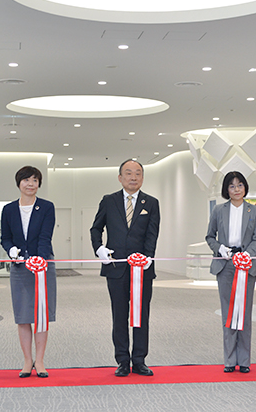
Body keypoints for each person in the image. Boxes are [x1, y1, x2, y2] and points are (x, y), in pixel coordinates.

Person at [90, 159, 160, 377]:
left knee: (142, 315)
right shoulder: (109, 201)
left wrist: (148, 257)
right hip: (116, 268)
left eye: (138, 173)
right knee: (119, 315)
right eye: (128, 173)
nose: (133, 177)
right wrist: (99, 249)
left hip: (143, 269)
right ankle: (122, 360)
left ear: (142, 177)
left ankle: (139, 360)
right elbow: (95, 228)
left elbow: (152, 234)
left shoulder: (151, 202)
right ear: (120, 177)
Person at [0, 166, 56, 378]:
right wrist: (12, 250)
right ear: (19, 183)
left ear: (39, 184)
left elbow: (45, 236)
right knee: (23, 315)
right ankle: (27, 360)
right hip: (19, 267)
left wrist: (38, 260)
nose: (30, 183)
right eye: (26, 180)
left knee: (41, 314)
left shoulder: (47, 207)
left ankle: (40, 361)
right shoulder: (9, 209)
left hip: (43, 266)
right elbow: (5, 237)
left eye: (35, 180)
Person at [205, 171, 256, 374]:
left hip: (246, 265)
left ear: (245, 187)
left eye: (240, 185)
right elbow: (210, 236)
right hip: (225, 265)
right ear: (226, 190)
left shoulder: (254, 211)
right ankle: (229, 360)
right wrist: (221, 249)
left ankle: (245, 360)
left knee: (245, 314)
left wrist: (247, 255)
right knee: (228, 313)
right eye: (232, 186)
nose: (236, 189)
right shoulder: (219, 210)